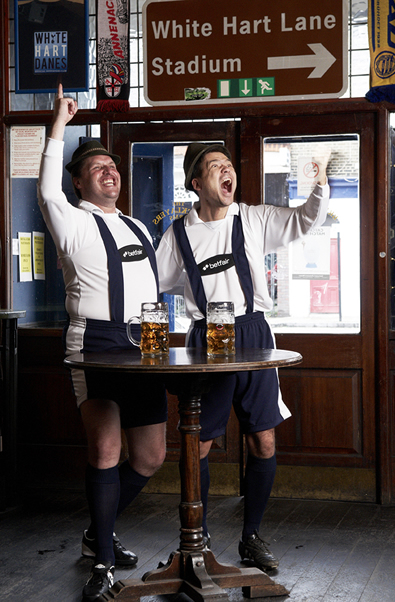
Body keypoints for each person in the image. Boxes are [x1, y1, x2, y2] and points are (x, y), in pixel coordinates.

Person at [156, 142, 330, 572]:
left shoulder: (253, 217)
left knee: (263, 439)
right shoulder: (177, 235)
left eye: (229, 164)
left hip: (253, 333)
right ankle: (199, 535)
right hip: (204, 339)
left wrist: (320, 182)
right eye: (216, 166)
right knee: (199, 443)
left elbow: (307, 218)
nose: (226, 170)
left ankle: (251, 535)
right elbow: (151, 284)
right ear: (197, 184)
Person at [37, 84, 167, 602]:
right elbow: (45, 191)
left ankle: (97, 530)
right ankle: (105, 565)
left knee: (152, 457)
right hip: (96, 341)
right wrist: (58, 127)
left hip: (146, 344)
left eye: (113, 165)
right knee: (106, 448)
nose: (109, 171)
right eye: (96, 167)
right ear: (78, 182)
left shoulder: (138, 225)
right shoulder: (70, 219)